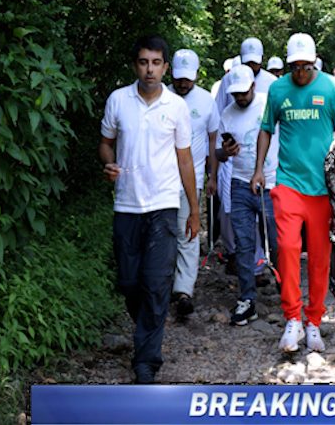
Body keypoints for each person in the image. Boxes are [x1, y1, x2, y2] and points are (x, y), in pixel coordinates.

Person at [99, 35, 200, 383]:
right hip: (126, 205)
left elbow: (185, 159)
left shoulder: (176, 107)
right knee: (129, 283)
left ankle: (146, 362)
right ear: (135, 66)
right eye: (143, 62)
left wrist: (195, 210)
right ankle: (147, 328)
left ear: (166, 67)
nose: (149, 69)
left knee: (156, 284)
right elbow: (105, 143)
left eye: (156, 63)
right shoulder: (118, 100)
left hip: (164, 206)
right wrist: (109, 164)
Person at [251, 33, 335, 353]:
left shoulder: (330, 87)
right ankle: (292, 318)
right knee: (286, 247)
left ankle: (314, 322)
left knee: (320, 257)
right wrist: (258, 169)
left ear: (314, 62)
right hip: (288, 183)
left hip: (323, 186)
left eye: (305, 67)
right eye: (294, 67)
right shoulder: (278, 89)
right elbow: (266, 130)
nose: (300, 73)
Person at [216, 64, 280, 326]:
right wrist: (226, 152)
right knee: (243, 243)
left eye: (244, 92)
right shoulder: (227, 114)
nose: (240, 98)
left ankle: (287, 290)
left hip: (272, 181)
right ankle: (247, 298)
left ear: (253, 87)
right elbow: (218, 153)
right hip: (240, 182)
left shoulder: (269, 104)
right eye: (236, 94)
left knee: (278, 240)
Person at [167, 49, 220, 316]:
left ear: (196, 76)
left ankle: (184, 290)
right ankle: (163, 284)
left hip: (193, 178)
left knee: (188, 233)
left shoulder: (207, 102)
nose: (183, 83)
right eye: (178, 78)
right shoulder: (161, 97)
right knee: (164, 234)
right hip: (162, 179)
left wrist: (212, 175)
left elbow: (213, 140)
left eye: (187, 79)